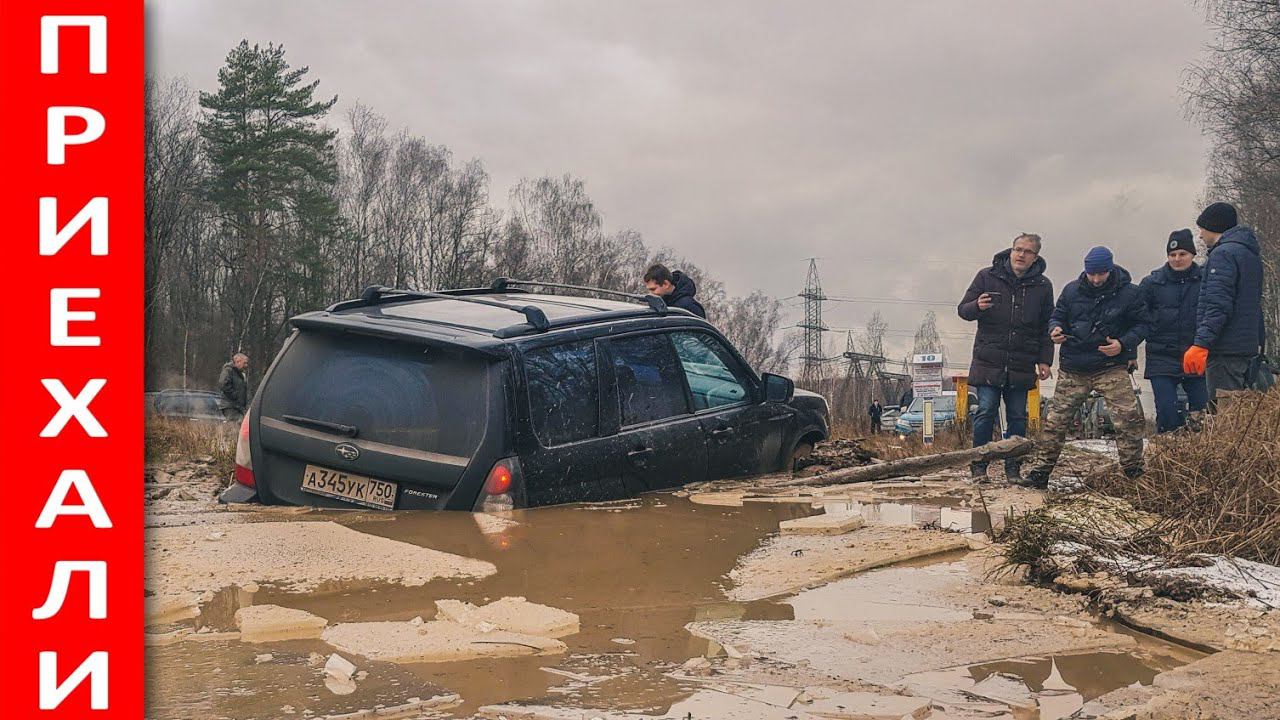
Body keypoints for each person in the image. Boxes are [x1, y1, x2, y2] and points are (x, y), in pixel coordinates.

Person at [1023, 247, 1150, 487]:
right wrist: (1055, 330)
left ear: (1110, 270)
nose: (1095, 279)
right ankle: (1039, 473)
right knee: (1055, 422)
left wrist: (1123, 344)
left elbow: (1143, 325)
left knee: (1129, 420)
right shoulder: (1071, 291)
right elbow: (1057, 316)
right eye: (1091, 274)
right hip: (1074, 368)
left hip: (1111, 366)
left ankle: (1134, 474)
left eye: (1100, 274)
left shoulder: (1130, 294)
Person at [956, 233, 1054, 482]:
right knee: (985, 411)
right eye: (1017, 249)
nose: (1021, 255)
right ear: (1010, 251)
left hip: (1021, 362)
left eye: (1027, 251)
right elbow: (963, 310)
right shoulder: (987, 277)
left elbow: (1046, 327)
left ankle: (1013, 469)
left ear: (1035, 257)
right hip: (989, 360)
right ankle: (979, 467)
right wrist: (977, 305)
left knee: (1017, 416)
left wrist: (1045, 361)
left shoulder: (1042, 286)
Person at [1182, 202, 1266, 408]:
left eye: (1202, 229)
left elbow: (1217, 304)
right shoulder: (1248, 253)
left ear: (1215, 226)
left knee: (1225, 413)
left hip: (1225, 348)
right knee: (1240, 411)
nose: (1200, 235)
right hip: (1244, 346)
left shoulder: (1223, 255)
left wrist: (1201, 343)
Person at [1139, 229, 1206, 432]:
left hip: (1195, 355)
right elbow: (1136, 317)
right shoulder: (1151, 284)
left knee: (1202, 412)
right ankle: (1168, 450)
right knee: (1167, 410)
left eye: (1182, 254)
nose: (1177, 259)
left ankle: (1199, 451)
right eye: (1172, 255)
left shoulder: (1205, 281)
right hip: (1162, 356)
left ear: (1193, 255)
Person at [217, 352, 250, 422]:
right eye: (244, 363)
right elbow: (223, 384)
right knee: (237, 426)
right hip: (230, 406)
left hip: (237, 407)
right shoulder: (228, 370)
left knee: (239, 426)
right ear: (238, 362)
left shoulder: (240, 374)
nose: (246, 365)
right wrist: (234, 396)